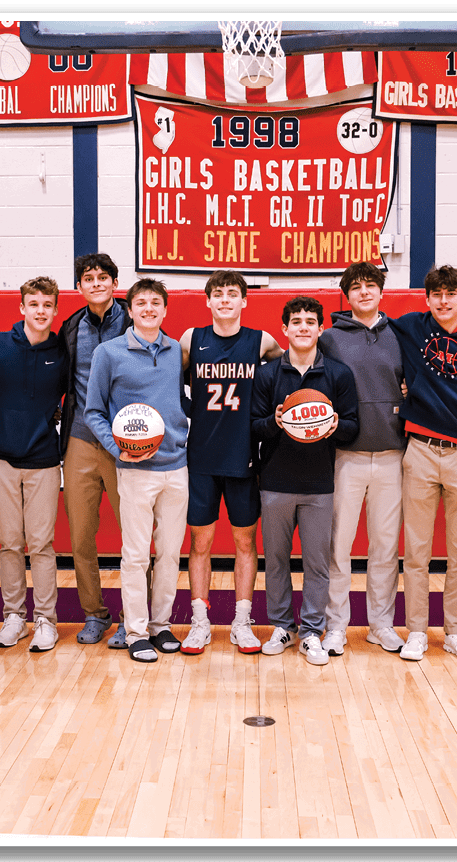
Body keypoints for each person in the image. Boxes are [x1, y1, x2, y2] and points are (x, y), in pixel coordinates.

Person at [84, 279, 189, 663]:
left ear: (165, 309)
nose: (148, 309)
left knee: (171, 553)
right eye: (141, 303)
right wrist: (117, 450)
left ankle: (160, 625)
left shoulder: (176, 349)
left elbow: (178, 402)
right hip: (135, 470)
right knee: (135, 555)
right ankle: (136, 631)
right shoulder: (108, 353)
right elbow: (92, 411)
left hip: (177, 466)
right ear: (129, 310)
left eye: (155, 303)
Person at [390, 265, 457, 663]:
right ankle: (416, 630)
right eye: (437, 294)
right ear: (427, 298)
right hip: (420, 451)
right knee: (416, 551)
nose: (444, 300)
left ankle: (456, 632)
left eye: (452, 293)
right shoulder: (412, 328)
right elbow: (363, 325)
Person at [178, 270, 282, 655]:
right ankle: (200, 621)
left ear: (244, 301)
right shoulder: (192, 338)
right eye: (218, 294)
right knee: (200, 542)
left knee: (244, 541)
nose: (224, 300)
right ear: (208, 301)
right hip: (202, 456)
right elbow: (167, 378)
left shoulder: (262, 341)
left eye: (232, 294)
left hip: (244, 456)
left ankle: (241, 620)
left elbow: (289, 373)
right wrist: (189, 410)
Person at [252, 296, 359, 666]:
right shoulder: (266, 375)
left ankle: (312, 631)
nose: (302, 327)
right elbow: (253, 426)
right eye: (295, 321)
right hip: (275, 482)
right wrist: (275, 422)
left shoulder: (338, 374)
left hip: (318, 484)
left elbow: (352, 426)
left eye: (310, 321)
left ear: (319, 329)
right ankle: (282, 626)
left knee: (316, 563)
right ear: (285, 329)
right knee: (277, 561)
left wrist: (334, 427)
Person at [318, 262, 406, 657]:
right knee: (339, 546)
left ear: (381, 292)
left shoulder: (400, 334)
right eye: (356, 287)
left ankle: (381, 625)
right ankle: (336, 625)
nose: (364, 292)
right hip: (345, 455)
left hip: (392, 454)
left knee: (385, 546)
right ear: (347, 295)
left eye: (371, 285)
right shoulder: (330, 339)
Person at [0, 276, 68, 653]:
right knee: (9, 542)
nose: (40, 311)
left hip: (45, 460)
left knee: (42, 543)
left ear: (54, 310)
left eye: (47, 305)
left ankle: (46, 620)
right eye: (33, 304)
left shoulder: (63, 351)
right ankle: (14, 617)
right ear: (21, 308)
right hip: (1, 457)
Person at [58, 254, 134, 648]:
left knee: (133, 537)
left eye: (103, 277)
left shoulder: (135, 319)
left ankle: (131, 617)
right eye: (88, 278)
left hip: (126, 443)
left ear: (115, 282)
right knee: (81, 536)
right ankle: (95, 614)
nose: (96, 283)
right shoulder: (71, 325)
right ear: (80, 286)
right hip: (80, 439)